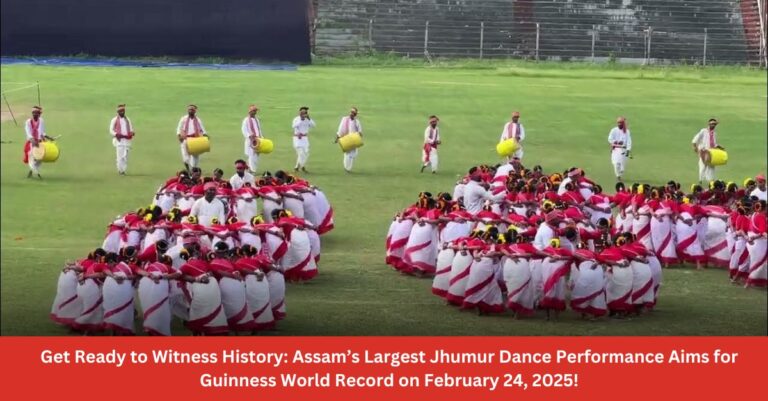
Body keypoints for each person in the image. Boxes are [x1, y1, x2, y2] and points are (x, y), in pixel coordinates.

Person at [23, 106, 53, 179]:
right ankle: (37, 173)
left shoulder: (41, 121)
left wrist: (48, 137)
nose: (35, 115)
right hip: (32, 142)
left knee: (39, 158)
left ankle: (32, 170)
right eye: (33, 113)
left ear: (39, 114)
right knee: (32, 157)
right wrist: (32, 140)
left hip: (40, 142)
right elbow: (28, 132)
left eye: (36, 113)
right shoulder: (28, 122)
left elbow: (42, 132)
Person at [691, 118, 724, 183]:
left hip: (712, 152)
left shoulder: (714, 133)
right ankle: (701, 180)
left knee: (711, 167)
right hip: (704, 151)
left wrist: (719, 147)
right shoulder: (703, 131)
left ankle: (710, 181)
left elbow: (714, 143)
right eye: (712, 124)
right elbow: (696, 139)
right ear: (708, 124)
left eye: (714, 124)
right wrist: (695, 147)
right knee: (702, 166)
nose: (713, 125)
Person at [177, 104, 207, 170]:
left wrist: (205, 135)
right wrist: (179, 135)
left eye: (192, 109)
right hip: (186, 139)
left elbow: (202, 128)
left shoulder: (198, 120)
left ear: (195, 111)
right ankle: (189, 170)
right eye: (189, 109)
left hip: (195, 139)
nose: (191, 111)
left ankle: (193, 170)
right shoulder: (183, 119)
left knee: (195, 157)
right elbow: (179, 128)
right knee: (185, 158)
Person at [109, 104, 135, 175]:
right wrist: (116, 134)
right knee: (119, 156)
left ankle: (123, 169)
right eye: (121, 111)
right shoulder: (114, 120)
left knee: (125, 156)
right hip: (119, 141)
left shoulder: (127, 119)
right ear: (118, 112)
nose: (122, 112)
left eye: (123, 111)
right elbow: (111, 130)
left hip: (127, 141)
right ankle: (120, 170)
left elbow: (131, 128)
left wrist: (132, 132)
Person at [335, 107, 362, 172]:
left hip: (354, 139)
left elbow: (360, 131)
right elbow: (340, 129)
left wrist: (359, 135)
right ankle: (347, 168)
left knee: (353, 154)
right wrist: (337, 137)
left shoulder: (357, 122)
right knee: (347, 154)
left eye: (353, 113)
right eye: (351, 112)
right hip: (346, 139)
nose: (352, 114)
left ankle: (347, 167)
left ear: (355, 114)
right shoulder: (344, 119)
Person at [607, 117, 632, 182]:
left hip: (623, 149)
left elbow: (629, 141)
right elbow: (610, 138)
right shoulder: (614, 130)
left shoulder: (627, 131)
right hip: (616, 149)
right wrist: (616, 142)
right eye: (618, 123)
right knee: (616, 164)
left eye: (620, 123)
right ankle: (618, 176)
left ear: (623, 124)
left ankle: (620, 173)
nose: (619, 124)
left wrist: (628, 149)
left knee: (622, 165)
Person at [292, 106, 315, 173]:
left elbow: (313, 125)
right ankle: (301, 166)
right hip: (297, 138)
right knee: (301, 153)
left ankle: (298, 166)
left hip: (305, 138)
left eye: (305, 112)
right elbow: (294, 126)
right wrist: (301, 120)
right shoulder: (296, 119)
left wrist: (309, 118)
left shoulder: (308, 120)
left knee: (306, 153)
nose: (303, 114)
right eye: (302, 112)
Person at [242, 105, 263, 173]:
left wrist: (261, 137)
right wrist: (249, 135)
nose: (255, 112)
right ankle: (252, 170)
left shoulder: (257, 120)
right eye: (254, 111)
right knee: (251, 155)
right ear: (250, 111)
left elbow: (259, 129)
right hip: (250, 140)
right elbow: (244, 129)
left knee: (256, 155)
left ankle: (247, 168)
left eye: (256, 111)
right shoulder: (246, 120)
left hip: (258, 140)